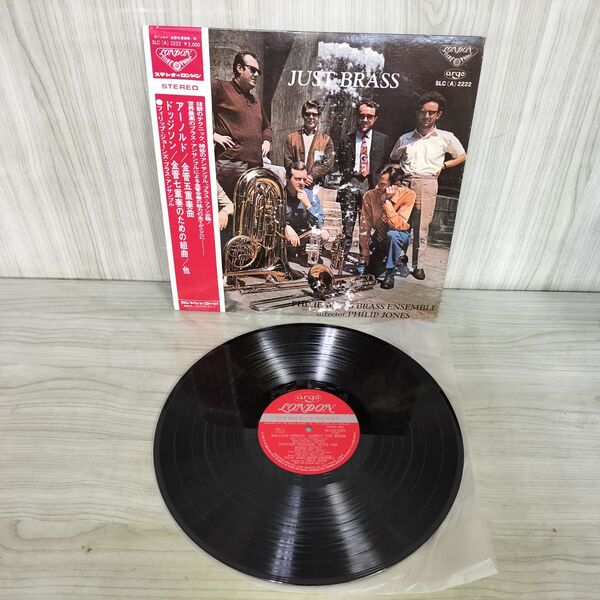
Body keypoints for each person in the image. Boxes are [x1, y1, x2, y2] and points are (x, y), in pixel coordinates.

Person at [390, 92, 466, 280]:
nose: (427, 116)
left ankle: (419, 266)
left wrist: (444, 166)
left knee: (421, 227)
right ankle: (399, 260)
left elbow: (462, 155)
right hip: (405, 183)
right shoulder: (406, 138)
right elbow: (393, 158)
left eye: (432, 113)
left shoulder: (445, 137)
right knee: (401, 224)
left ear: (439, 115)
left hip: (427, 183)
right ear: (417, 112)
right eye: (423, 111)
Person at [211, 51, 272, 202]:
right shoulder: (221, 87)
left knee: (249, 211)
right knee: (228, 210)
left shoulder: (256, 101)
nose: (256, 75)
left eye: (258, 72)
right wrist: (212, 135)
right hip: (231, 163)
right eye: (252, 70)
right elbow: (194, 107)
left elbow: (266, 126)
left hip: (255, 166)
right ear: (239, 68)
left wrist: (266, 140)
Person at [337, 100, 391, 263]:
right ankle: (342, 256)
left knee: (366, 224)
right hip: (351, 184)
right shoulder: (347, 139)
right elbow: (341, 163)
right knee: (347, 223)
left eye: (369, 116)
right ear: (357, 117)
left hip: (371, 185)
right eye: (362, 116)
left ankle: (364, 257)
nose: (365, 120)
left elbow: (386, 165)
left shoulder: (383, 140)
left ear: (375, 119)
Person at [358, 165, 416, 289]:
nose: (377, 187)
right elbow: (364, 226)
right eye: (378, 182)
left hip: (400, 235)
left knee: (393, 235)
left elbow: (398, 225)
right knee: (371, 270)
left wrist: (385, 202)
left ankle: (390, 273)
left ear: (395, 185)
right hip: (379, 237)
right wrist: (365, 253)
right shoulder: (370, 196)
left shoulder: (409, 195)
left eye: (382, 184)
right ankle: (392, 260)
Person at [283, 100, 334, 207]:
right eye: (308, 114)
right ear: (303, 115)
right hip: (294, 187)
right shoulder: (292, 138)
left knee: (312, 213)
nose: (311, 117)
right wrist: (300, 176)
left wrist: (312, 176)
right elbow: (288, 161)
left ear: (319, 117)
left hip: (314, 187)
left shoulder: (326, 140)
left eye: (314, 114)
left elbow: (328, 164)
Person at [284, 161, 327, 262]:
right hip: (283, 235)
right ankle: (287, 252)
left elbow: (319, 223)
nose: (302, 183)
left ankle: (302, 253)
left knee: (324, 234)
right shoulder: (279, 193)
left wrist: (308, 205)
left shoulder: (311, 195)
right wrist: (284, 226)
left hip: (302, 236)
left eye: (304, 179)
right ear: (288, 178)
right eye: (298, 179)